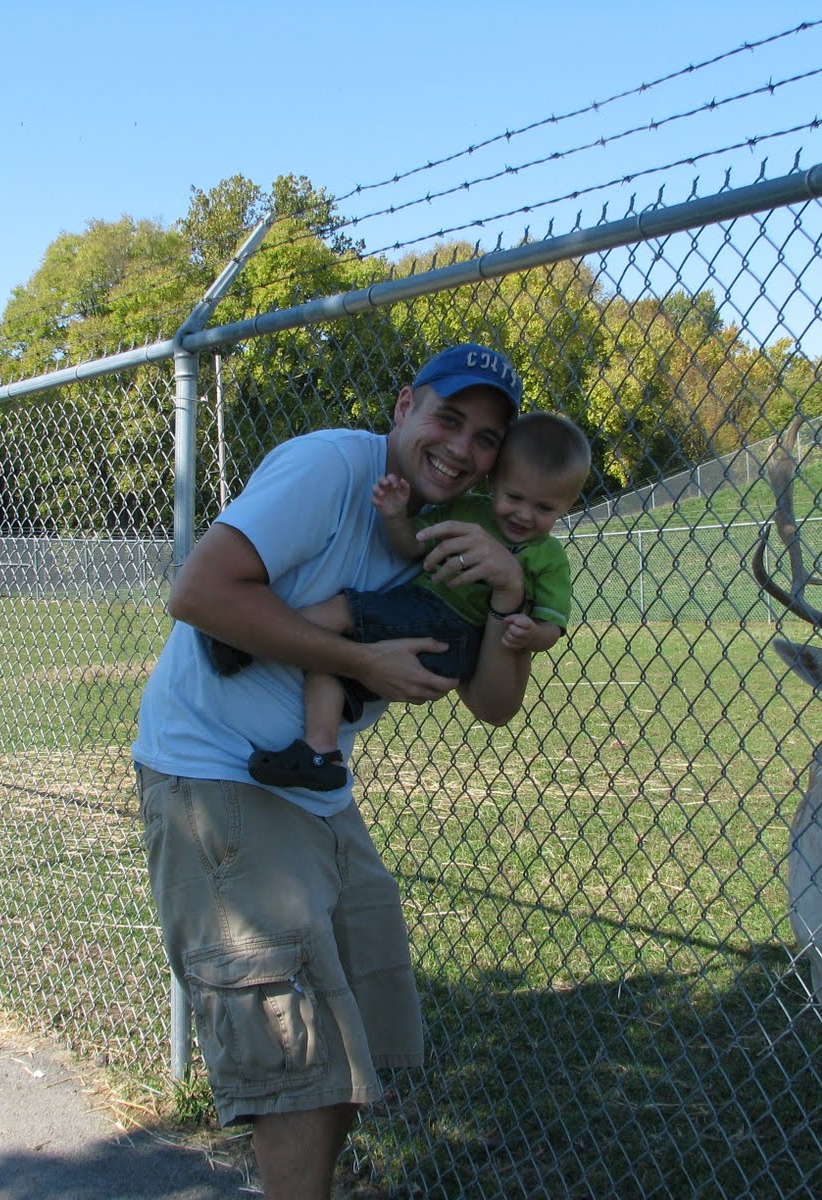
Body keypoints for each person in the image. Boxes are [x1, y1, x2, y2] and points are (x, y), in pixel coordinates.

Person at [131, 343, 535, 1199]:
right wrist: (365, 664)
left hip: (313, 790)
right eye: (449, 419)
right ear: (404, 408)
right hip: (218, 773)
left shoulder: (464, 532)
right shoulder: (329, 467)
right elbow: (198, 594)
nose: (463, 449)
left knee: (354, 1038)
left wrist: (507, 597)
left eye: (488, 439)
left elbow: (495, 705)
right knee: (293, 1058)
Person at [222, 411, 590, 791]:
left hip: (455, 631)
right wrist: (396, 515)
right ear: (496, 481)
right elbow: (410, 546)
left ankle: (245, 642)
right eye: (515, 497)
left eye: (544, 508)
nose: (525, 515)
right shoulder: (468, 512)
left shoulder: (549, 557)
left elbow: (553, 624)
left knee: (345, 609)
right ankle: (321, 753)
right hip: (420, 610)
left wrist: (531, 634)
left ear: (567, 504)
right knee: (330, 656)